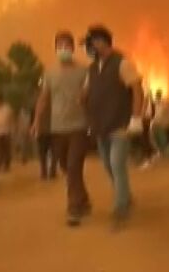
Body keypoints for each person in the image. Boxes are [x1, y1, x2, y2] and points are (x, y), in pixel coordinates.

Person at [83, 25, 144, 229]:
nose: (89, 47)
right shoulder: (92, 68)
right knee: (109, 166)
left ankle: (121, 209)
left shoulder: (122, 63)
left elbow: (136, 88)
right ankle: (125, 195)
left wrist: (136, 117)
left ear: (101, 41)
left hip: (120, 124)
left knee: (117, 165)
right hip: (101, 126)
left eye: (90, 43)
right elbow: (86, 92)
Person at [33, 30, 91, 226]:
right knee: (65, 166)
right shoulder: (49, 73)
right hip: (57, 128)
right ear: (55, 49)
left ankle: (73, 208)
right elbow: (43, 98)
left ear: (73, 48)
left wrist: (85, 98)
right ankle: (82, 198)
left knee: (74, 166)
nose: (63, 49)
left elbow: (89, 93)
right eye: (60, 46)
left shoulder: (84, 71)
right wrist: (36, 121)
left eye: (67, 46)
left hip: (79, 127)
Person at [33, 80, 58, 181]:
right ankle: (45, 171)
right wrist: (35, 128)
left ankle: (51, 171)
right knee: (43, 153)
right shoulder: (39, 101)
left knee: (53, 152)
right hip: (44, 130)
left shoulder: (54, 101)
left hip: (53, 130)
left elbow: (37, 116)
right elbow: (37, 116)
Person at [150, 89, 169, 156]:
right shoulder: (158, 103)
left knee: (160, 131)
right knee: (157, 131)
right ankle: (163, 149)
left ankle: (164, 148)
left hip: (165, 124)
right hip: (160, 123)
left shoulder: (164, 104)